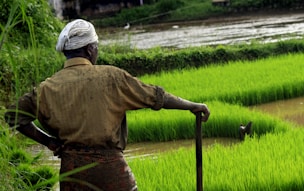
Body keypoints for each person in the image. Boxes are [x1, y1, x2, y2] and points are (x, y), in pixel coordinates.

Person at [4, 19, 210, 191]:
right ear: (90, 49)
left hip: (72, 173)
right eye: (96, 46)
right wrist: (192, 105)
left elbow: (13, 115)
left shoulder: (46, 88)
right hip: (111, 171)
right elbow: (156, 97)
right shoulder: (111, 77)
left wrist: (49, 142)